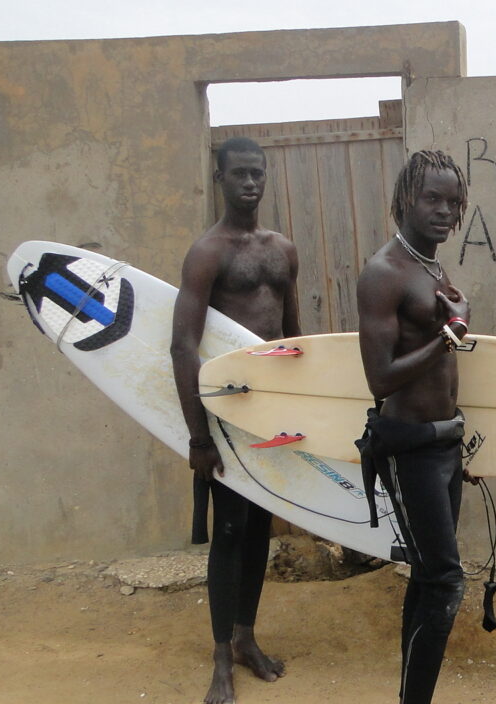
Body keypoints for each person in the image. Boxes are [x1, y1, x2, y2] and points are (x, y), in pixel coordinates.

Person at [171, 137, 300, 704]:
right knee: (228, 531)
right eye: (239, 174)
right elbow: (182, 346)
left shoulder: (282, 249)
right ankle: (221, 657)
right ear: (219, 177)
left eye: (258, 173)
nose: (250, 183)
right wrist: (198, 436)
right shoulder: (208, 252)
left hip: (270, 413)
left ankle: (246, 638)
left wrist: (301, 411)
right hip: (225, 413)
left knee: (257, 532)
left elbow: (294, 338)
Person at [355, 150, 472, 704]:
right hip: (410, 450)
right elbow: (380, 378)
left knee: (429, 578)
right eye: (433, 199)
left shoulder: (432, 266)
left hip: (445, 442)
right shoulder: (384, 273)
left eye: (453, 201)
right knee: (446, 582)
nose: (445, 211)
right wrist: (452, 333)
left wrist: (452, 324)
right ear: (405, 198)